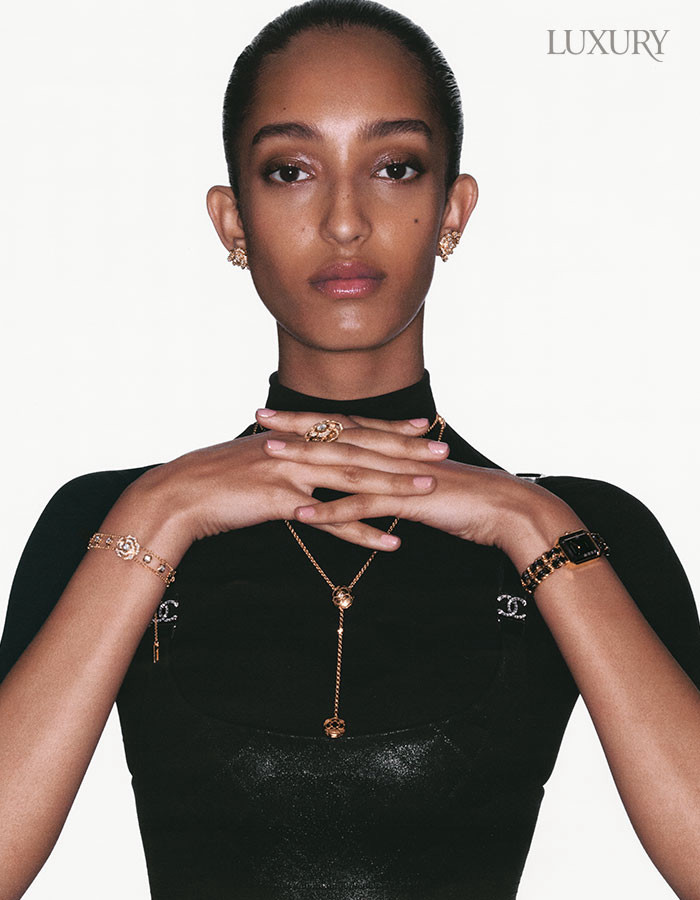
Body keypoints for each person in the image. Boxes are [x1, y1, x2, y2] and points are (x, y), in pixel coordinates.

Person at [1, 1, 699, 898]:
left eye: (394, 168)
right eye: (291, 171)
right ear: (232, 221)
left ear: (452, 209)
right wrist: (160, 512)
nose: (343, 221)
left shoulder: (585, 530)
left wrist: (529, 522)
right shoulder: (106, 520)